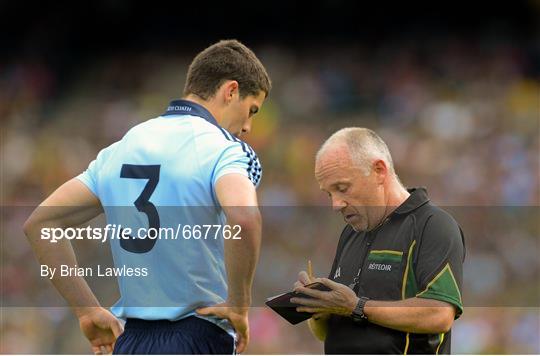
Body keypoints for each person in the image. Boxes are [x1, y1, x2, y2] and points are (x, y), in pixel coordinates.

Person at [23, 39, 271, 354]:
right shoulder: (226, 148)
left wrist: (86, 310)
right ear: (231, 91)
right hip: (197, 336)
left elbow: (41, 223)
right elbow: (245, 218)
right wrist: (239, 303)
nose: (247, 126)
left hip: (132, 342)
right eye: (251, 111)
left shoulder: (121, 147)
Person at [292, 128, 465, 354]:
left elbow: (440, 313)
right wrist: (320, 307)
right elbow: (328, 333)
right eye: (329, 194)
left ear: (379, 171)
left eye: (342, 188)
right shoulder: (350, 233)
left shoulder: (433, 225)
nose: (336, 204)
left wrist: (356, 306)